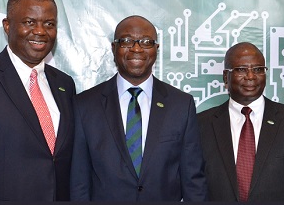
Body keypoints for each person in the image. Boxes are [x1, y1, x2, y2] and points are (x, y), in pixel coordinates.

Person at [70, 15, 207, 201]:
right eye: (126, 41)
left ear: (156, 49)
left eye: (146, 42)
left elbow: (193, 181)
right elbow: (79, 181)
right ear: (114, 48)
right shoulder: (85, 105)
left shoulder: (182, 105)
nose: (136, 48)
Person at [0, 0, 76, 201]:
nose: (40, 31)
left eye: (49, 24)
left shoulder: (64, 84)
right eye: (29, 22)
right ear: (7, 26)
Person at [198, 42, 284, 202]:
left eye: (258, 70)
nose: (250, 76)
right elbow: (194, 186)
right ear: (225, 77)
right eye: (241, 70)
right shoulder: (201, 124)